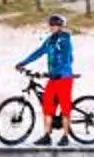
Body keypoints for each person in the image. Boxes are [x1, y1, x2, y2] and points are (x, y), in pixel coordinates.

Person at [16, 13, 79, 143]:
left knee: (65, 106)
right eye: (50, 24)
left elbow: (67, 59)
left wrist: (57, 72)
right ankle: (46, 136)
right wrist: (23, 62)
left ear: (61, 26)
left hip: (64, 78)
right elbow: (38, 52)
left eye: (54, 25)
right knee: (47, 106)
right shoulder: (50, 40)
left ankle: (65, 136)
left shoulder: (65, 40)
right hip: (53, 78)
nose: (51, 27)